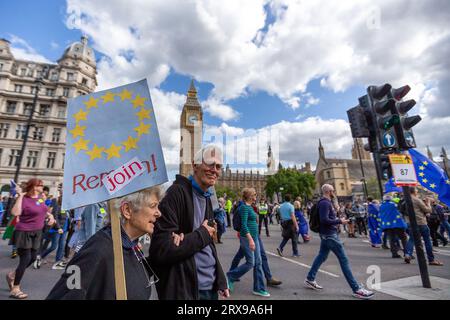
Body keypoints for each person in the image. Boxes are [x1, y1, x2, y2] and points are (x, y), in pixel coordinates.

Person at [47, 187, 164, 299]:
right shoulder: (98, 248)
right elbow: (64, 293)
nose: (159, 213)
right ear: (127, 210)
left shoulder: (132, 246)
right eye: (153, 206)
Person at [149, 145, 229, 300]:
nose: (215, 170)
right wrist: (203, 234)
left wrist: (220, 279)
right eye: (210, 164)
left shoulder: (207, 197)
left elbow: (209, 245)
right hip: (187, 289)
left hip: (210, 287)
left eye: (218, 166)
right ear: (195, 165)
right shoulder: (176, 194)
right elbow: (161, 250)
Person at [304, 184, 374, 299]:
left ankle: (310, 278)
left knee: (322, 256)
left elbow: (327, 218)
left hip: (327, 235)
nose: (334, 192)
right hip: (329, 235)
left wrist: (336, 212)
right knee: (344, 260)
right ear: (329, 191)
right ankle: (356, 289)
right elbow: (324, 220)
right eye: (333, 191)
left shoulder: (326, 203)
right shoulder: (325, 203)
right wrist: (339, 221)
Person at [6, 178, 55, 299]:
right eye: (41, 185)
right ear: (34, 186)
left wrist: (50, 216)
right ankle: (15, 288)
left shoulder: (39, 198)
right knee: (26, 258)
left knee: (33, 258)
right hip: (24, 232)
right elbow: (15, 212)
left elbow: (44, 210)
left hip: (37, 232)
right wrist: (21, 197)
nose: (42, 187)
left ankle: (12, 275)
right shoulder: (24, 199)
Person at [227, 188, 270, 297]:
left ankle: (258, 288)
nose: (257, 196)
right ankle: (230, 276)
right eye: (255, 194)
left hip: (254, 237)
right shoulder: (244, 208)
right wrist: (250, 240)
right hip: (247, 238)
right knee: (251, 263)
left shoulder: (249, 206)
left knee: (258, 262)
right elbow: (244, 225)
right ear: (250, 196)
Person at [404, 188, 443, 266]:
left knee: (412, 239)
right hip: (421, 222)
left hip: (410, 223)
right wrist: (428, 203)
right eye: (416, 191)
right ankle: (431, 260)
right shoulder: (417, 200)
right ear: (414, 191)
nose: (417, 192)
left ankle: (407, 254)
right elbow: (428, 210)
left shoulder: (405, 200)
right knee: (427, 241)